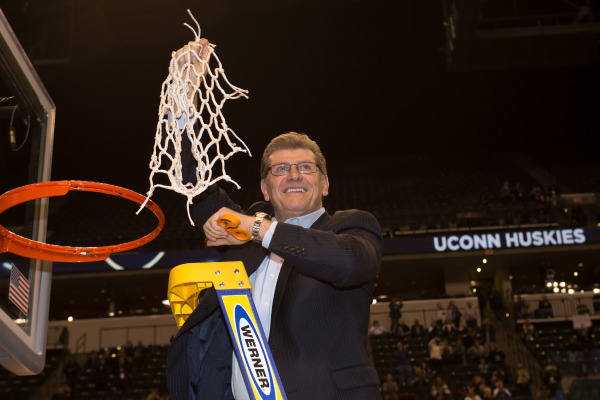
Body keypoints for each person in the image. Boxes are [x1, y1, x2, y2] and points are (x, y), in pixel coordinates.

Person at [164, 47, 383, 400]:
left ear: (325, 184)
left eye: (306, 168)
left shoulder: (351, 227)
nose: (293, 174)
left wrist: (255, 228)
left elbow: (351, 262)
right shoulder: (245, 236)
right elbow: (196, 182)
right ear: (265, 188)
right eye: (280, 169)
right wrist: (182, 103)